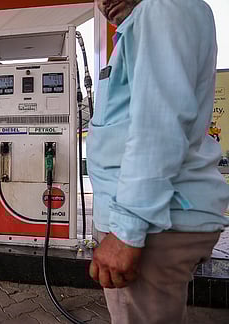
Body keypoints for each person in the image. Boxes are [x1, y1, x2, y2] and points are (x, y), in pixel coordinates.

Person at [87, 0, 229, 323]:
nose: (102, 3)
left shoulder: (163, 8)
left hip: (152, 226)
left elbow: (157, 127)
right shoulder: (158, 15)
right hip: (156, 218)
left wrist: (126, 232)